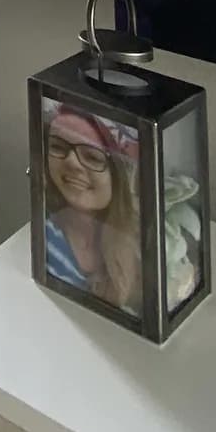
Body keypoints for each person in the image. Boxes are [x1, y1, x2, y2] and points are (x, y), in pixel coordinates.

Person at [42, 106, 143, 315]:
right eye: (58, 147)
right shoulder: (46, 238)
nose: (71, 162)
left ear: (120, 179)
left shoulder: (148, 245)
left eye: (93, 157)